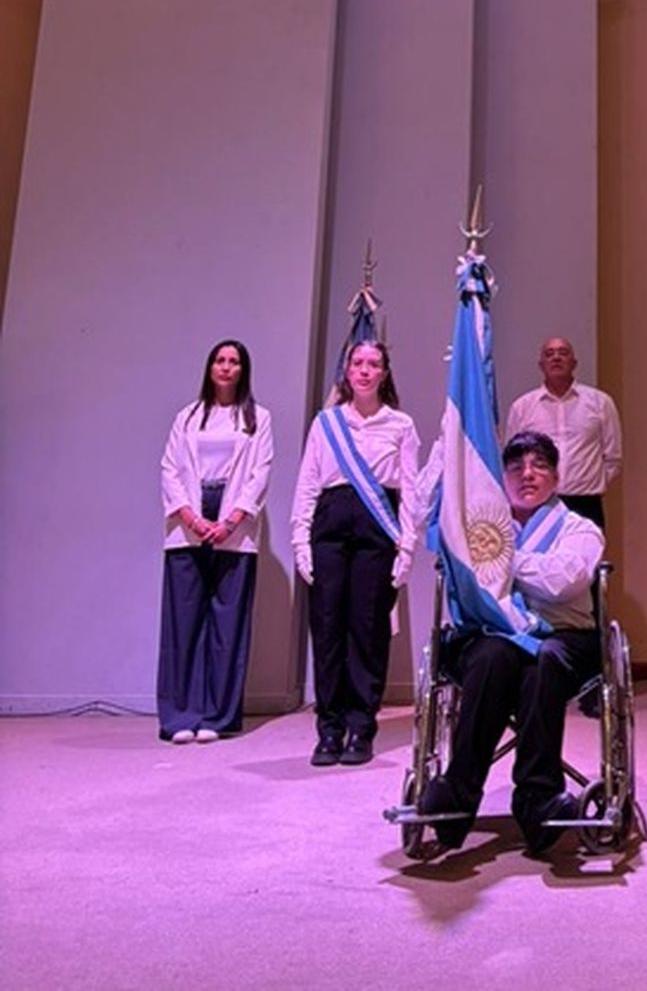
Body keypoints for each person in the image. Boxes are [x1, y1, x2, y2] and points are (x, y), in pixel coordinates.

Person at [419, 431, 604, 854]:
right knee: (493, 656)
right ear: (501, 477)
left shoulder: (581, 528)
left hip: (562, 636)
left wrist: (499, 558)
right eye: (516, 467)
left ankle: (537, 798)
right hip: (493, 636)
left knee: (545, 659)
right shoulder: (482, 523)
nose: (527, 474)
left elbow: (563, 581)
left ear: (557, 478)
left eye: (539, 465)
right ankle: (457, 795)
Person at [290, 340, 419, 767]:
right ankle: (328, 730)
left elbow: (412, 491)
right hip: (329, 526)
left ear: (385, 373)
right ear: (346, 371)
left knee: (367, 631)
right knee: (327, 630)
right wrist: (299, 540)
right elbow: (308, 482)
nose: (364, 371)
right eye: (357, 363)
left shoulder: (399, 424)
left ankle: (362, 727)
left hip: (376, 530)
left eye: (373, 364)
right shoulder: (326, 423)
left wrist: (407, 546)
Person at [158, 339, 274, 744]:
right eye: (220, 361)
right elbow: (170, 469)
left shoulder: (258, 419)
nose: (226, 367)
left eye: (234, 361)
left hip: (232, 521)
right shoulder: (187, 417)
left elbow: (260, 473)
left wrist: (231, 520)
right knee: (183, 623)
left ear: (243, 370)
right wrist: (189, 515)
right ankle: (179, 716)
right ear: (210, 368)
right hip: (189, 516)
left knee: (227, 623)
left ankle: (216, 716)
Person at [504, 338, 622, 527]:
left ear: (574, 363)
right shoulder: (522, 407)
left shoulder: (600, 403)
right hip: (538, 504)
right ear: (541, 365)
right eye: (549, 354)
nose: (556, 358)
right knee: (536, 556)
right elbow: (512, 460)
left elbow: (612, 459)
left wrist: (588, 483)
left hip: (586, 504)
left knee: (587, 556)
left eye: (563, 353)